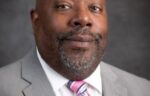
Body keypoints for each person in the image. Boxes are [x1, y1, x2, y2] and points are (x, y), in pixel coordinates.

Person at [0, 0, 150, 96]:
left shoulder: (143, 90)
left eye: (95, 8)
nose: (84, 19)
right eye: (64, 6)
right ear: (36, 20)